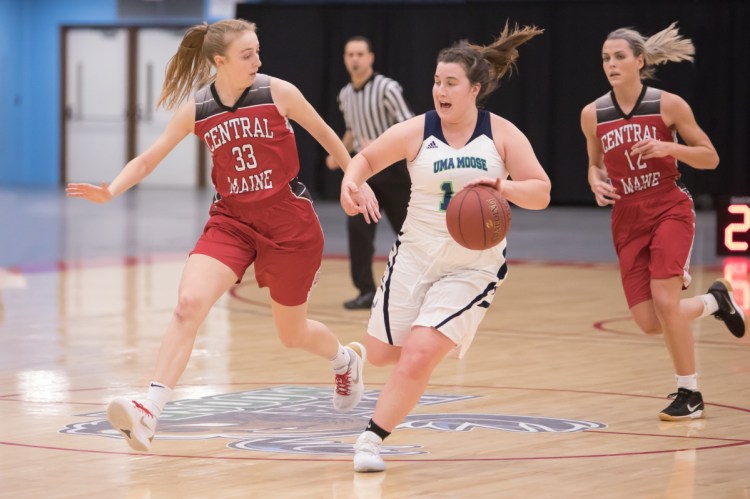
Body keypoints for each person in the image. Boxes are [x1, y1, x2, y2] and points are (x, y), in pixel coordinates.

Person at [66, 19, 376, 452]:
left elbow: (326, 135)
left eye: (258, 51)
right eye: (247, 55)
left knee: (292, 333)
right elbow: (148, 159)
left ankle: (346, 360)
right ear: (220, 61)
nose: (258, 61)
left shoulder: (277, 92)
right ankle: (148, 409)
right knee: (188, 305)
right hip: (231, 221)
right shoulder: (198, 107)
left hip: (289, 224)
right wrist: (112, 189)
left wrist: (353, 180)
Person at [340, 23, 550, 472]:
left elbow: (541, 192)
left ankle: (370, 440)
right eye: (437, 81)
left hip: (473, 266)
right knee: (381, 354)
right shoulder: (419, 130)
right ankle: (353, 359)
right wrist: (350, 184)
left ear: (475, 89)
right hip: (415, 255)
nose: (440, 90)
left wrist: (502, 185)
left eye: (450, 82)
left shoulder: (501, 134)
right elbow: (366, 158)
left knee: (419, 351)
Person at [580, 22, 747, 422]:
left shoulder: (668, 105)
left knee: (666, 301)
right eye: (606, 58)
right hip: (626, 217)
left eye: (620, 56)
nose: (612, 64)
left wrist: (668, 146)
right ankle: (715, 301)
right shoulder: (592, 114)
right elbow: (595, 164)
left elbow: (710, 156)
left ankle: (689, 392)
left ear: (640, 61)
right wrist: (594, 179)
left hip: (669, 207)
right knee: (649, 322)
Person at [326, 36, 414, 310]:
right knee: (359, 232)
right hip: (367, 174)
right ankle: (366, 291)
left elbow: (408, 125)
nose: (355, 59)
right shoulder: (345, 95)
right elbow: (353, 129)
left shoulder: (387, 88)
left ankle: (423, 288)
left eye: (360, 54)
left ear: (370, 57)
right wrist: (339, 151)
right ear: (344, 58)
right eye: (350, 54)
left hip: (396, 170)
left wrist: (379, 144)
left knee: (409, 232)